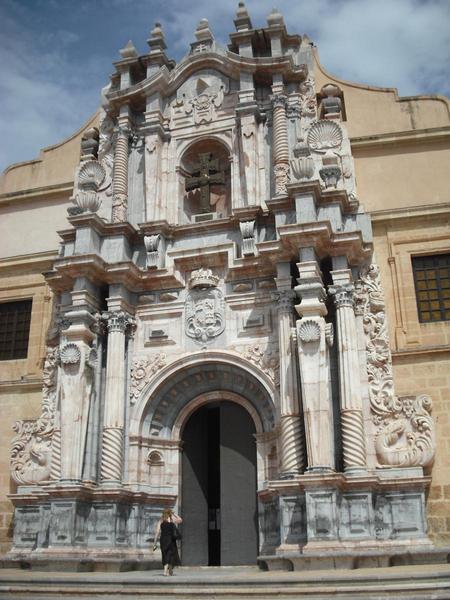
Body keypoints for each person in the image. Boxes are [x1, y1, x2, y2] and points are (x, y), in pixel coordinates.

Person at [153, 509, 182, 576]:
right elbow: (180, 520)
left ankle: (167, 571)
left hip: (163, 540)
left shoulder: (161, 521)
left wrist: (154, 543)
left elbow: (157, 532)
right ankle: (169, 571)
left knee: (165, 554)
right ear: (170, 513)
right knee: (171, 554)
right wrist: (174, 514)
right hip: (171, 540)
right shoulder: (172, 521)